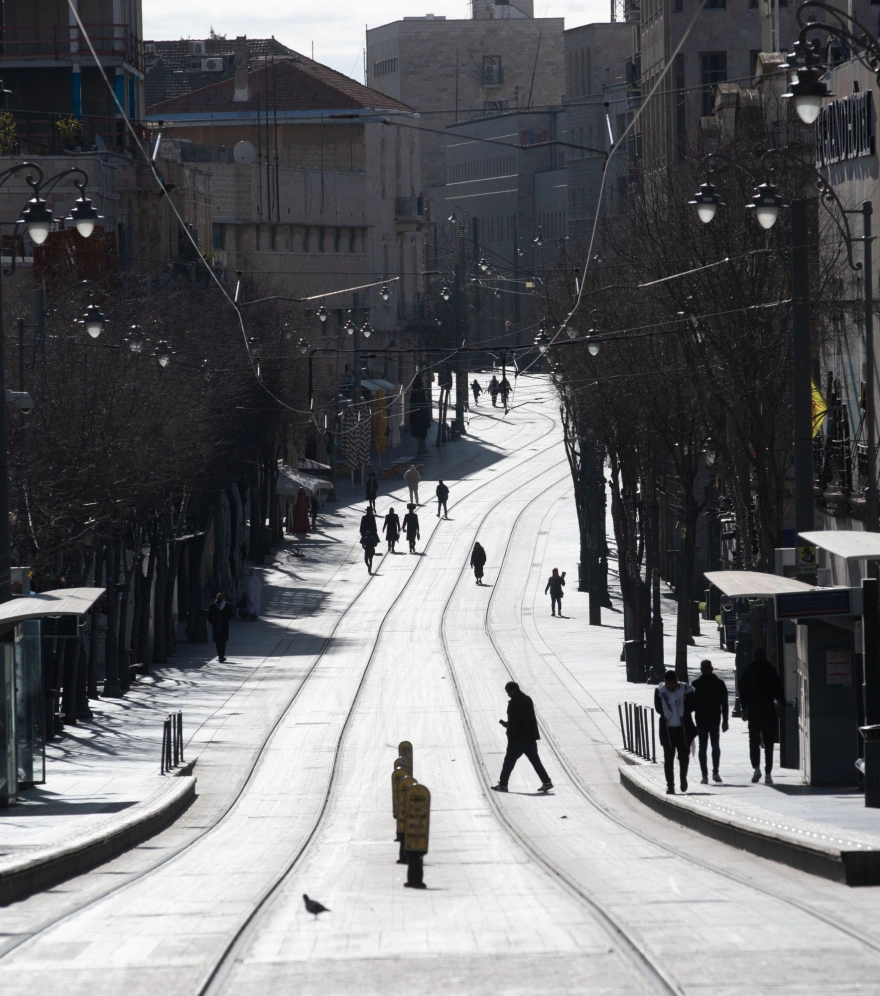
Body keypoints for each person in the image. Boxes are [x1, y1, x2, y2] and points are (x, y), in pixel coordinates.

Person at [492, 681, 553, 793]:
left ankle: (503, 785)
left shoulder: (514, 702)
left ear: (513, 690)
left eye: (508, 692)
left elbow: (516, 720)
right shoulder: (527, 699)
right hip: (530, 737)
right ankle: (546, 782)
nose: (508, 694)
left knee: (509, 761)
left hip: (517, 739)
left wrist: (508, 725)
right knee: (535, 761)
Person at [739, 647, 785, 785]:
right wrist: (781, 706)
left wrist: (744, 708)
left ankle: (756, 769)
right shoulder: (770, 670)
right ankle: (768, 774)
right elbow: (778, 688)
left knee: (754, 740)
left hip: (754, 710)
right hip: (768, 710)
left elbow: (742, 686)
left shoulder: (750, 670)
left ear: (754, 656)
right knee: (769, 743)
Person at [654, 669, 696, 795]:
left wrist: (682, 706)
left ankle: (683, 778)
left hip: (683, 730)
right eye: (668, 684)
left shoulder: (687, 690)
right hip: (667, 730)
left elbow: (694, 705)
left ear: (677, 680)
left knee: (684, 757)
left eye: (673, 683)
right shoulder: (659, 692)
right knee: (668, 759)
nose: (671, 687)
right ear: (664, 682)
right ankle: (670, 786)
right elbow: (658, 708)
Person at [692, 659, 729, 784]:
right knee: (715, 746)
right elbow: (724, 704)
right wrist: (725, 720)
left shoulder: (696, 684)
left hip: (701, 720)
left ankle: (705, 775)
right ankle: (715, 772)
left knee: (703, 747)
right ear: (712, 669)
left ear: (701, 670)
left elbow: (691, 705)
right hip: (715, 719)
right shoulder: (719, 683)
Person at [207, 592, 234, 663]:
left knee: (223, 642)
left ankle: (222, 655)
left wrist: (225, 620)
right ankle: (220, 655)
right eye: (219, 597)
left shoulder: (227, 605)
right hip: (216, 626)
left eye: (221, 597)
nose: (220, 598)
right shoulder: (213, 606)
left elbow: (231, 615)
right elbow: (209, 616)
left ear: (223, 598)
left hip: (224, 626)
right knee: (217, 642)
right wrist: (213, 622)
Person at [359, 507, 380, 573]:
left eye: (369, 511)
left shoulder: (371, 517)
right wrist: (362, 532)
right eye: (368, 511)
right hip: (367, 533)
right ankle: (369, 566)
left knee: (369, 557)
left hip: (371, 533)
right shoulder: (364, 517)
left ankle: (369, 567)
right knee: (366, 558)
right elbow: (362, 525)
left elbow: (374, 525)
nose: (369, 512)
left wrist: (374, 532)